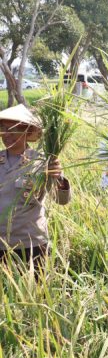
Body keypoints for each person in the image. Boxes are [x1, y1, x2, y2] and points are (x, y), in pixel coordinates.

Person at [0, 105, 71, 273]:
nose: (6, 135)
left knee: (33, 294)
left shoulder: (42, 162)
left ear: (27, 131)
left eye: (12, 129)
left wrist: (58, 177)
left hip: (30, 243)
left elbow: (62, 200)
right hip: (0, 243)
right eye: (3, 129)